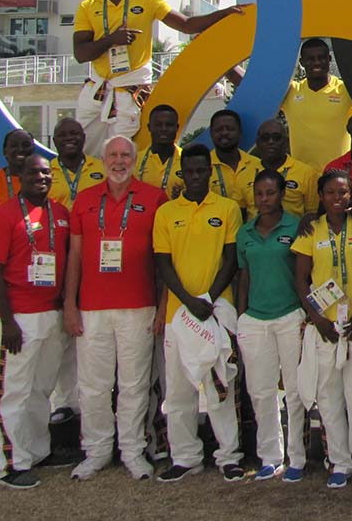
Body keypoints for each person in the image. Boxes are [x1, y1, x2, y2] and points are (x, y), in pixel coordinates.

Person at [63, 135, 167, 481]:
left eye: (125, 155)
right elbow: (74, 256)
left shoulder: (154, 198)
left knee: (134, 384)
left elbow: (162, 259)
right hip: (92, 307)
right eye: (113, 155)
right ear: (103, 160)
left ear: (134, 160)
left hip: (139, 306)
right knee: (93, 385)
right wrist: (70, 304)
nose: (119, 161)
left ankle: (133, 451)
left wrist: (162, 304)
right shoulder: (85, 200)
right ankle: (96, 451)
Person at [72, 0, 242, 154]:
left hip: (130, 89)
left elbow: (186, 24)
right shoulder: (88, 6)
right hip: (98, 90)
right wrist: (110, 40)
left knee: (122, 154)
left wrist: (222, 14)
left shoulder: (148, 0)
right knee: (84, 152)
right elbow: (80, 54)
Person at [0, 153, 76, 488]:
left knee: (41, 389)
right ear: (20, 176)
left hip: (50, 315)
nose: (42, 178)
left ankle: (37, 451)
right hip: (17, 318)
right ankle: (10, 464)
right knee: (14, 391)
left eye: (47, 173)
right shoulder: (2, 214)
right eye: (34, 172)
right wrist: (7, 322)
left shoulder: (60, 213)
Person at [152, 144, 245, 482]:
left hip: (216, 310)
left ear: (209, 171)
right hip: (181, 314)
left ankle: (228, 456)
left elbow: (231, 258)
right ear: (182, 174)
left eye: (200, 170)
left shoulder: (228, 208)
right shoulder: (166, 213)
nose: (194, 177)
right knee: (178, 392)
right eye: (188, 171)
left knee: (220, 386)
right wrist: (189, 301)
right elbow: (162, 263)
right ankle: (185, 456)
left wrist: (207, 297)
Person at [293, 170, 352, 488]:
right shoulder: (309, 231)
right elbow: (301, 280)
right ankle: (340, 463)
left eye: (343, 193)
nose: (337, 198)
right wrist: (317, 319)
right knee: (329, 400)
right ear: (321, 196)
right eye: (330, 192)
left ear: (351, 196)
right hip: (324, 328)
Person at [235, 170, 306, 483]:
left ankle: (298, 457)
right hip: (255, 319)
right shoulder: (245, 231)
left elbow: (304, 273)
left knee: (295, 390)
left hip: (290, 316)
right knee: (261, 392)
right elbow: (244, 276)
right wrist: (241, 317)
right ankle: (270, 456)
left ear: (281, 194)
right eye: (259, 193)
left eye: (270, 193)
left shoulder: (297, 226)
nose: (264, 200)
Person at [279, 38, 352, 171]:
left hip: (337, 177)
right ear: (302, 62)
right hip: (300, 177)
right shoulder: (291, 91)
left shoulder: (345, 90)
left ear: (329, 59)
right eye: (310, 59)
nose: (316, 63)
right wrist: (229, 66)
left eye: (321, 58)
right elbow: (258, 92)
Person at [252, 119, 318, 218]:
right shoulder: (246, 170)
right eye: (265, 138)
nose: (271, 142)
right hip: (253, 232)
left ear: (286, 142)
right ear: (257, 143)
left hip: (294, 232)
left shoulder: (307, 173)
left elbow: (312, 213)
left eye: (276, 137)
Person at [209, 108, 263, 216]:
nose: (224, 133)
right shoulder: (202, 168)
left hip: (254, 231)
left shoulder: (258, 166)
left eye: (230, 129)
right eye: (219, 129)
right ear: (211, 133)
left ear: (240, 132)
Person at [49, 118, 107, 209]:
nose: (69, 138)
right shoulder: (46, 172)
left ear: (84, 138)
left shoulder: (103, 168)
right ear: (54, 141)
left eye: (74, 133)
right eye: (62, 135)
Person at [135, 104, 182, 198]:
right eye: (158, 125)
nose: (163, 129)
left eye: (168, 125)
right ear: (149, 127)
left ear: (177, 128)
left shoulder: (187, 160)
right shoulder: (134, 161)